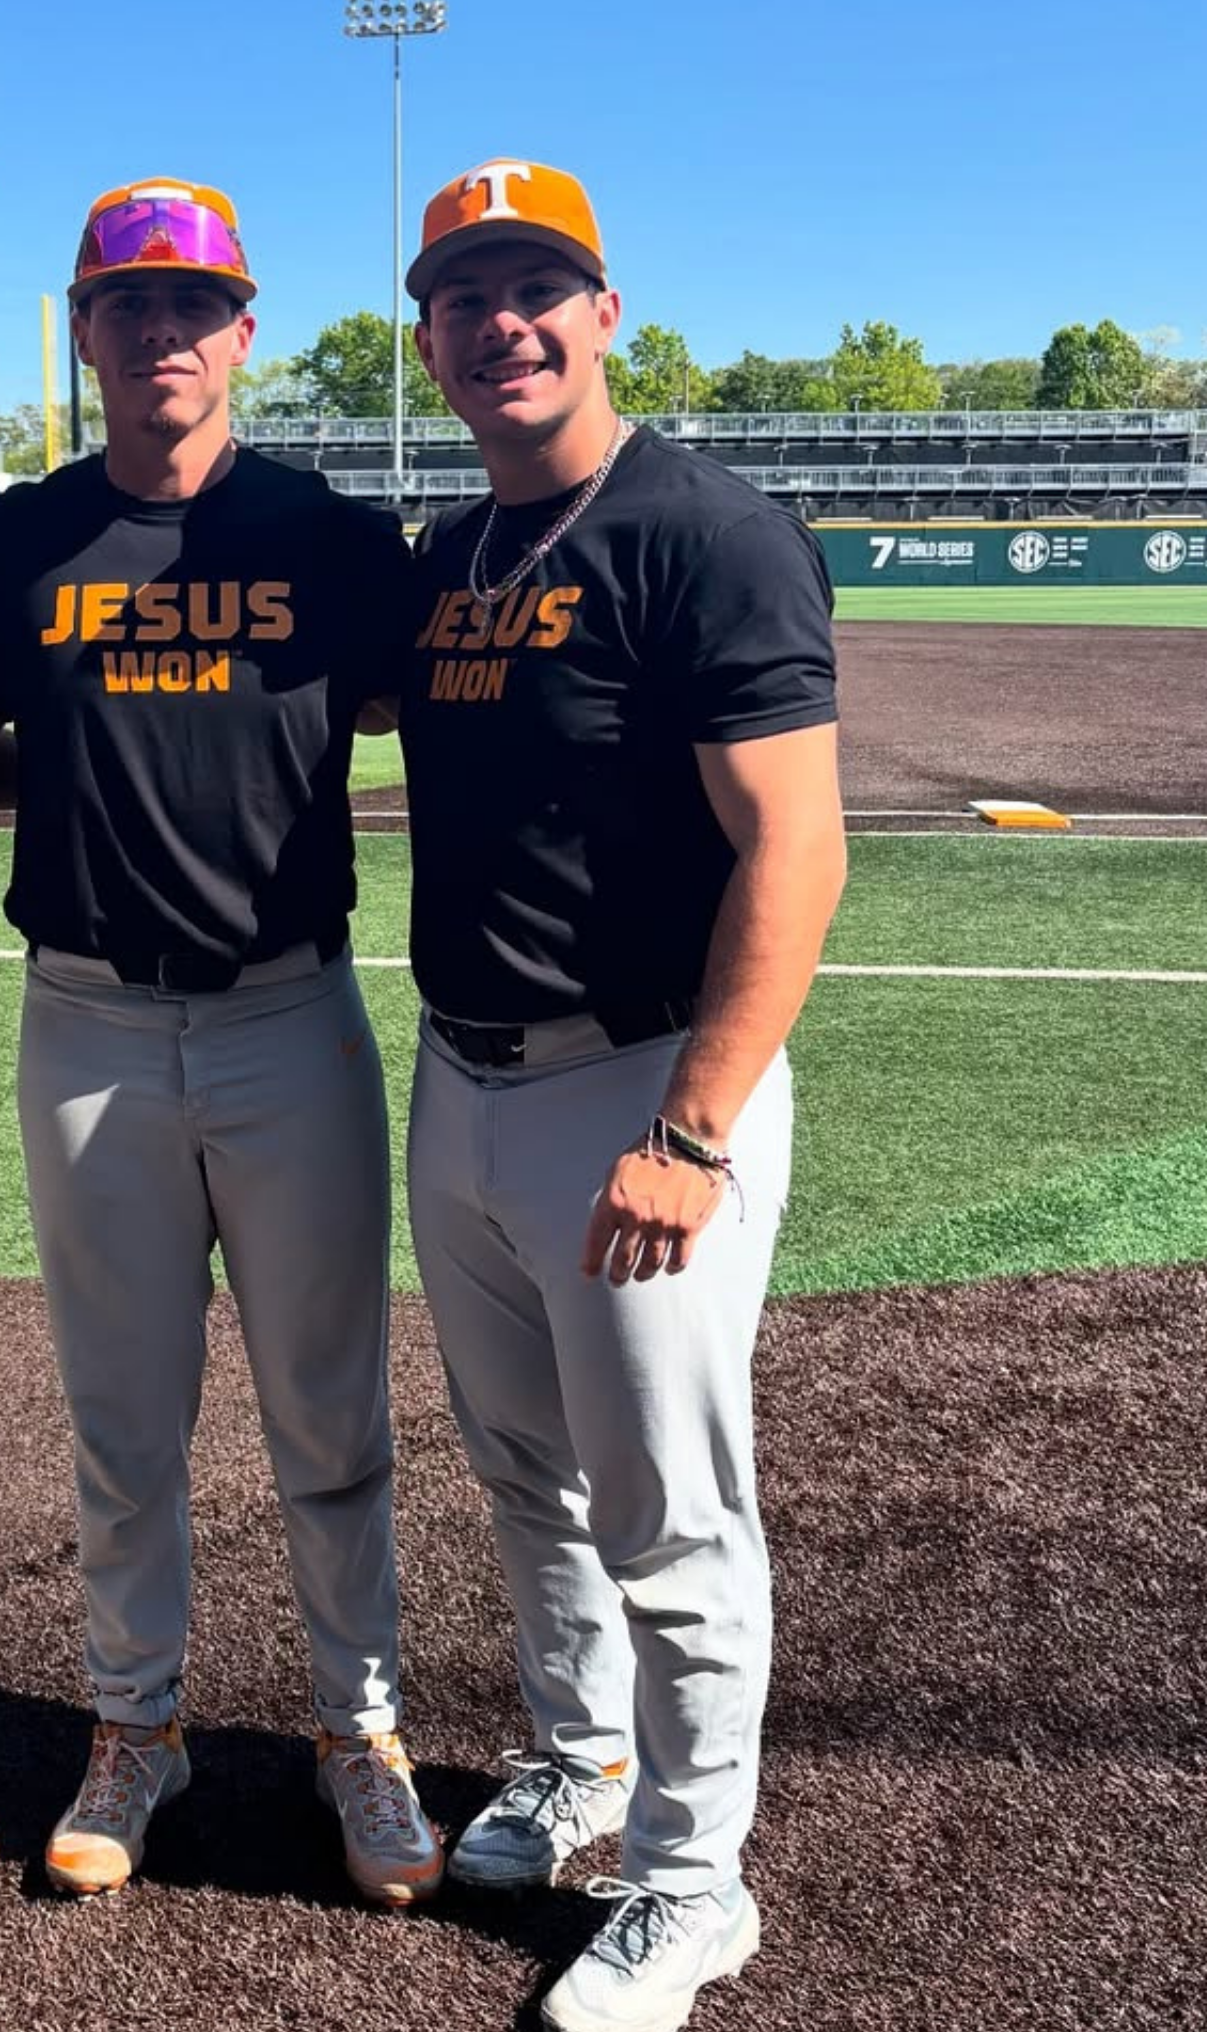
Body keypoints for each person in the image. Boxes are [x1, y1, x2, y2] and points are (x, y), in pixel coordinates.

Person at [0, 178, 440, 1906]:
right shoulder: (23, 537)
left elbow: (412, 714)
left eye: (194, 307)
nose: (163, 335)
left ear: (245, 332)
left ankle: (354, 1726)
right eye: (126, 306)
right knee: (122, 1414)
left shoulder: (332, 537)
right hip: (84, 1020)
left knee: (331, 1409)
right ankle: (133, 1725)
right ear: (83, 333)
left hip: (290, 1014)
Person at [393, 160, 847, 2029]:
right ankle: (579, 1764)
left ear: (604, 312)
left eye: (537, 288)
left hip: (641, 1086)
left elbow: (798, 853)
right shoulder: (453, 556)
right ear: (428, 338)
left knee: (672, 1511)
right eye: (465, 294)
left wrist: (693, 1131)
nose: (503, 322)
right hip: (466, 1077)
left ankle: (692, 1880)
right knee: (523, 1475)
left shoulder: (701, 529)